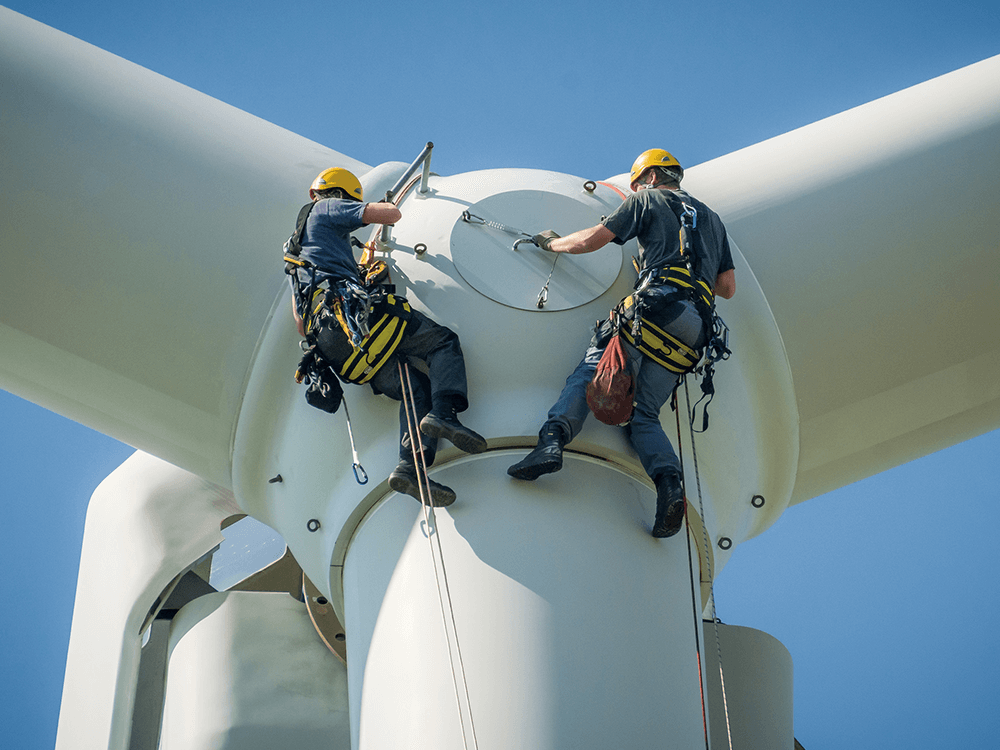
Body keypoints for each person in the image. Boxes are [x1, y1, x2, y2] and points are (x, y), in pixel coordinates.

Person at [507, 149, 736, 538]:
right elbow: (727, 288)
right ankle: (669, 486)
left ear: (647, 178)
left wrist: (551, 245)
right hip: (694, 330)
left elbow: (593, 241)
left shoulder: (646, 200)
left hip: (654, 308)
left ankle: (551, 443)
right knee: (643, 414)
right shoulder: (712, 220)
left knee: (591, 373)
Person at [288, 167, 487, 507]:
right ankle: (444, 413)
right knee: (441, 342)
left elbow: (299, 322)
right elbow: (388, 214)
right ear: (340, 195)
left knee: (412, 385)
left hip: (334, 344)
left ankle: (410, 468)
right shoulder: (325, 208)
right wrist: (380, 206)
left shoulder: (295, 252)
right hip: (356, 318)